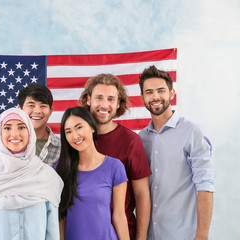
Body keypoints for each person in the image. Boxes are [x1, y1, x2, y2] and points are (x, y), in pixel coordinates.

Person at [138, 65, 215, 240]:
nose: (155, 96)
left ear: (172, 94)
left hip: (184, 235)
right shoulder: (141, 138)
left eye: (161, 91)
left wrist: (202, 235)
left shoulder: (192, 132)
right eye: (149, 92)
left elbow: (205, 185)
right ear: (142, 97)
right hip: (151, 235)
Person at [0, 107, 63, 240]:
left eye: (21, 127)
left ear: (30, 132)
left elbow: (52, 233)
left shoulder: (47, 177)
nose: (15, 134)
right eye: (7, 128)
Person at [79, 74, 151, 240]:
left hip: (122, 234)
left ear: (118, 103)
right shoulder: (77, 140)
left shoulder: (131, 141)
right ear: (88, 100)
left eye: (111, 99)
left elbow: (142, 195)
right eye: (99, 98)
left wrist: (140, 238)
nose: (104, 105)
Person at [56, 106, 129, 240]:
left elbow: (119, 215)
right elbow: (60, 217)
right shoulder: (61, 169)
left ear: (92, 127)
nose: (75, 136)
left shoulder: (115, 167)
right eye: (68, 131)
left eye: (79, 127)